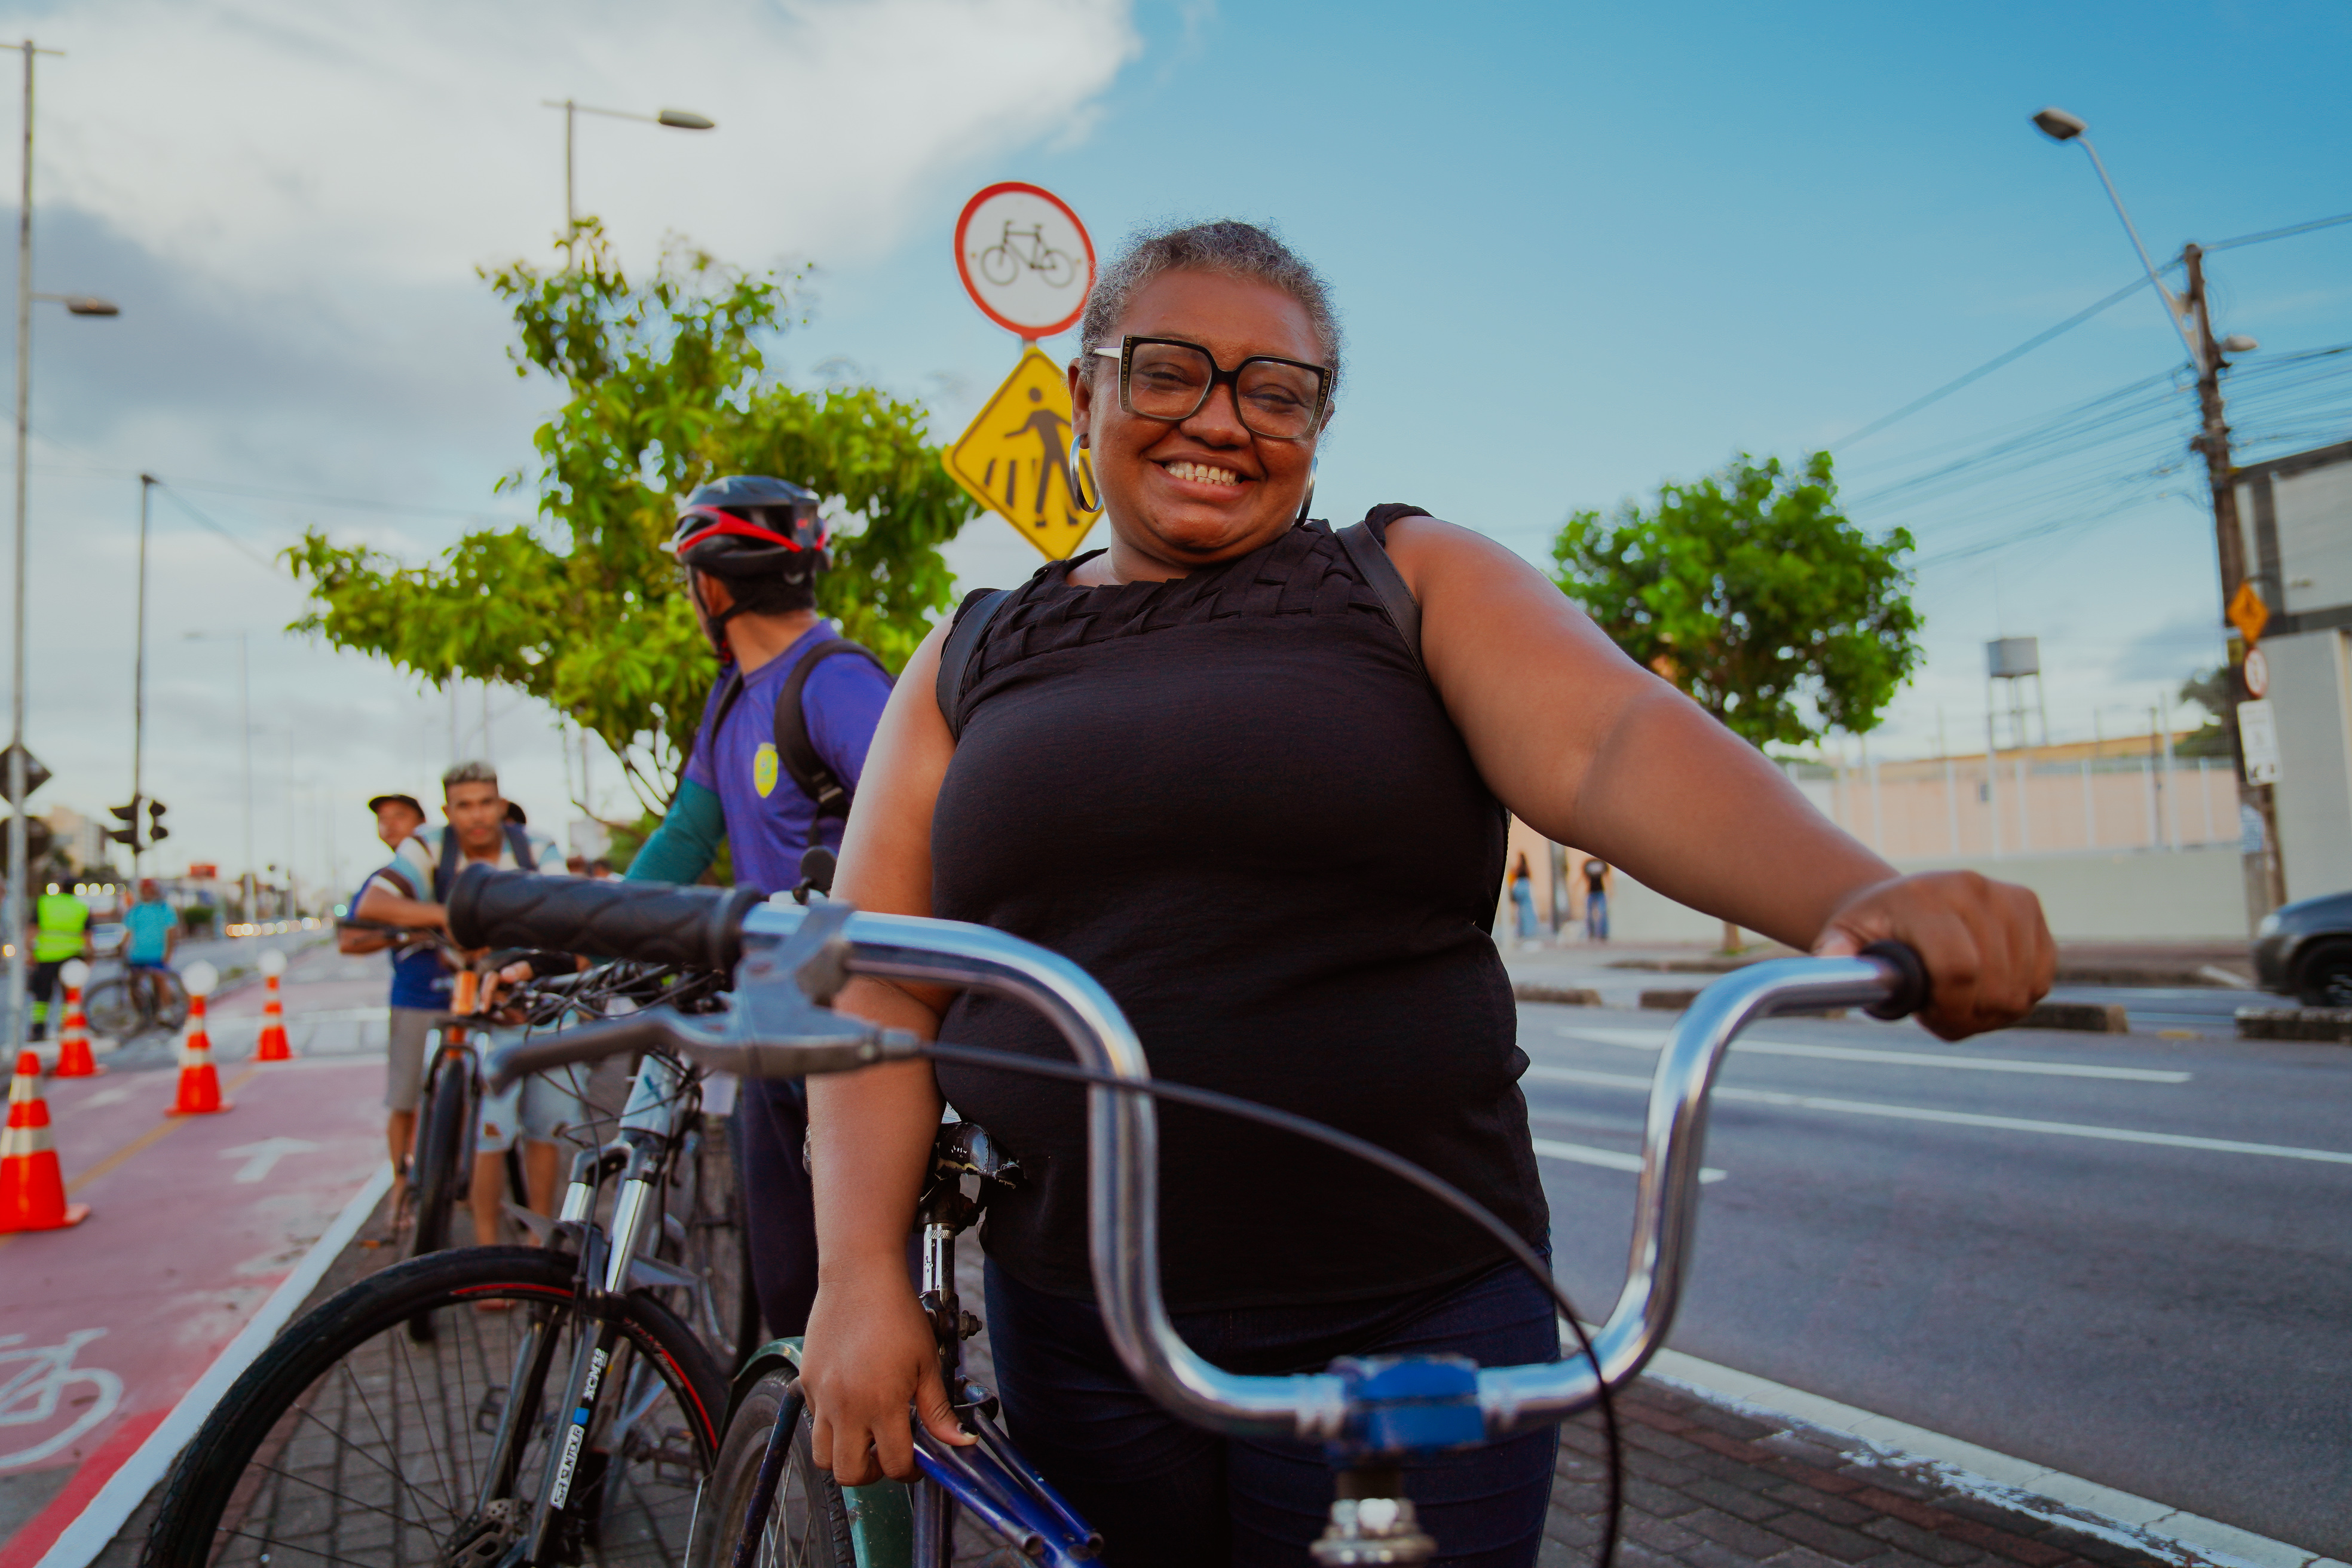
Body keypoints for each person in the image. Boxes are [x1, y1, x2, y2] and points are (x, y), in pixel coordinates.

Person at [795, 220, 2055, 1565]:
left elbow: (1611, 739)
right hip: (1081, 1321)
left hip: (1417, 1318)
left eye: (1276, 392)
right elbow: (878, 974)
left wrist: (1862, 892)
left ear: (1318, 425)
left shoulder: (1403, 577)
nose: (1220, 420)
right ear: (1082, 395)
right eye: (1166, 371)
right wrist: (860, 1273)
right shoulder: (973, 651)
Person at [624, 473, 894, 1339]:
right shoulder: (734, 697)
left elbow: (931, 818)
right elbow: (684, 837)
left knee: (850, 1299)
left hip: (847, 1019)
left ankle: (883, 1473)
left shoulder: (832, 681)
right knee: (782, 1293)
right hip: (770, 1014)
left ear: (710, 583)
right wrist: (567, 931)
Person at [357, 762, 573, 1244]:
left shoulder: (535, 848)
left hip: (541, 995)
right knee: (488, 1134)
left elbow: (564, 916)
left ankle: (540, 1243)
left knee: (546, 1129)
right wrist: (454, 917)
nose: (477, 815)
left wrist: (520, 962)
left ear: (500, 804)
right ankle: (487, 1248)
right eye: (464, 805)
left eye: (485, 802)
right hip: (481, 1006)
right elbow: (372, 905)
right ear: (447, 812)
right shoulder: (429, 847)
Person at [339, 792, 436, 1215]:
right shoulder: (382, 883)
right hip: (414, 999)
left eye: (400, 816)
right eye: (383, 819)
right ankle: (401, 1186)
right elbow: (350, 940)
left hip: (468, 1000)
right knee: (404, 1099)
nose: (391, 825)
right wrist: (406, 934)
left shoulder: (447, 871)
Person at [26, 882, 91, 1040]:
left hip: (46, 956)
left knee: (42, 996)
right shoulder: (81, 906)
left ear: (60, 888)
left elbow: (32, 929)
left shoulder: (44, 903)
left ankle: (38, 1030)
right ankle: (66, 1027)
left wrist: (29, 952)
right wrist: (90, 956)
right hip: (72, 957)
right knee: (69, 996)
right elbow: (87, 935)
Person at [1507, 851, 1539, 944]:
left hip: (1520, 887)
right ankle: (1527, 931)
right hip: (1525, 887)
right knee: (1527, 911)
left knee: (1521, 911)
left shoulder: (1519, 868)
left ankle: (1522, 931)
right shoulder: (1525, 868)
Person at [1583, 856, 1611, 942]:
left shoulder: (1602, 863)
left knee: (1603, 912)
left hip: (1601, 892)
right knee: (1589, 914)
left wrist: (1611, 890)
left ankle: (1603, 934)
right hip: (1591, 892)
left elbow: (1607, 877)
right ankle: (1591, 933)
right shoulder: (1588, 863)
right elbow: (1584, 877)